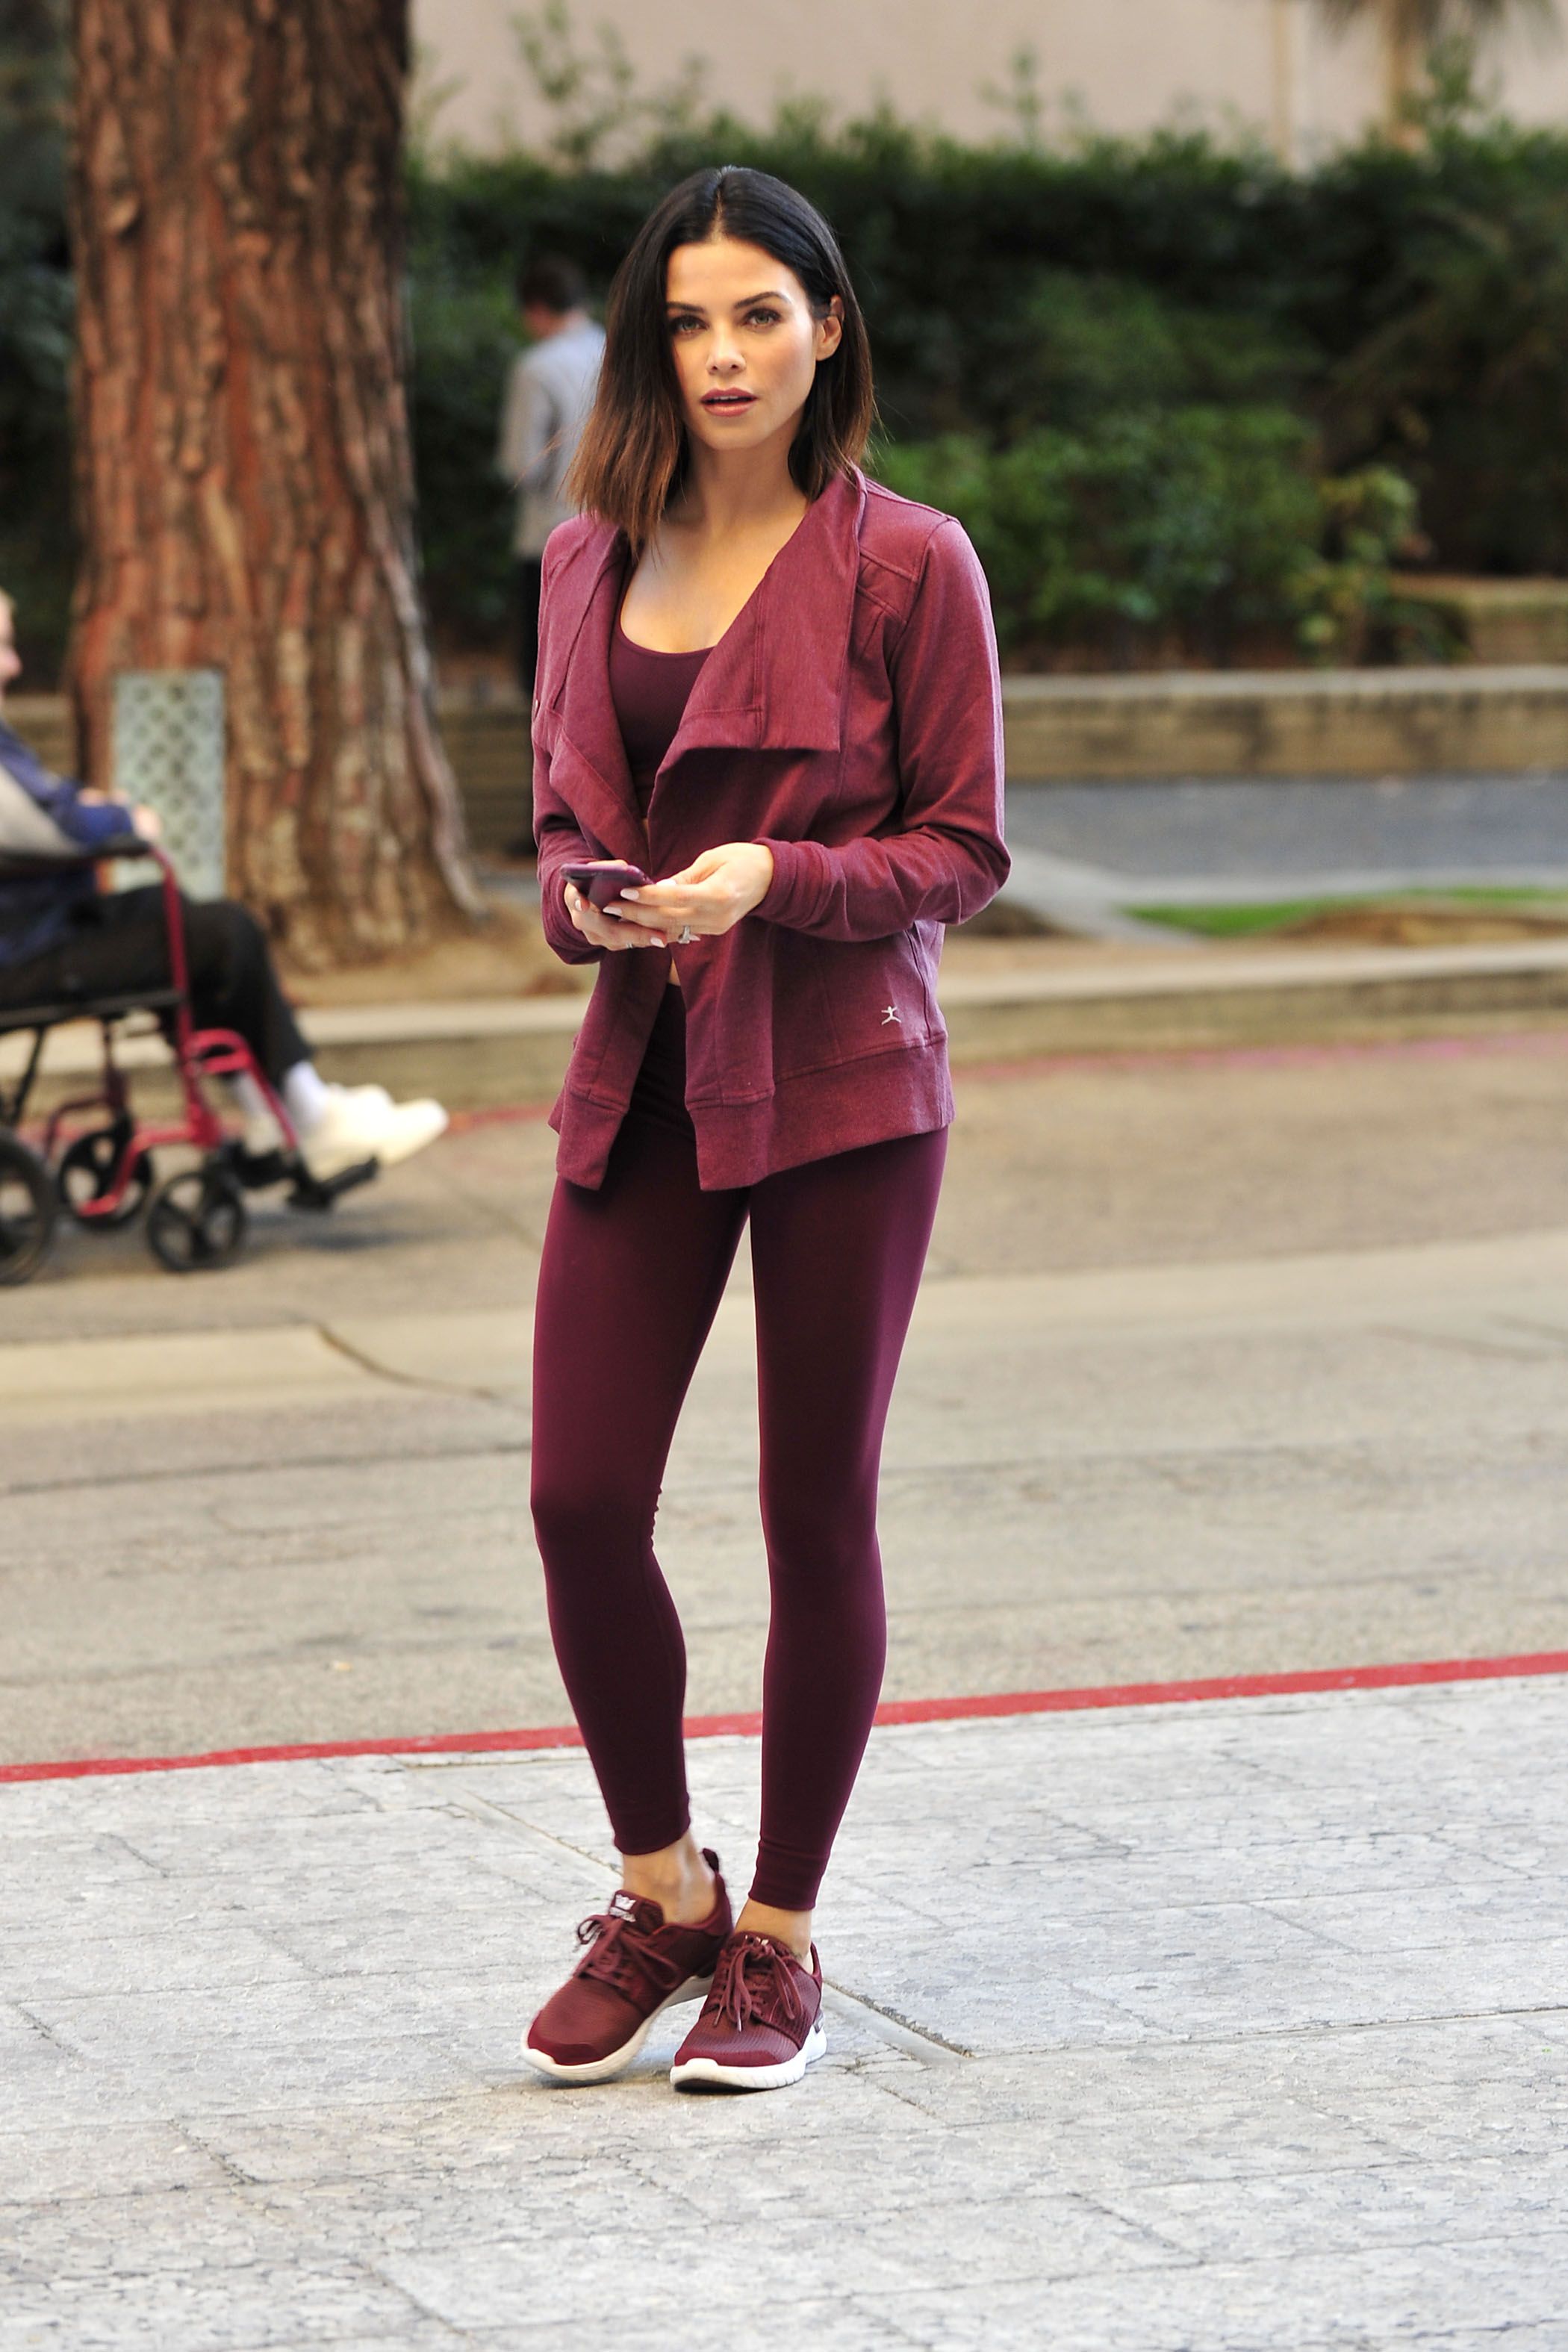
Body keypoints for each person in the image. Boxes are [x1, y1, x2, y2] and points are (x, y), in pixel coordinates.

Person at [520, 167, 1009, 2094]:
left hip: (842, 1082)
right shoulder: (584, 556)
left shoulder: (910, 564)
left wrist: (775, 878)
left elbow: (962, 849)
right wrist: (587, 901)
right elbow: (563, 818)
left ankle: (781, 1939)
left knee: (817, 1510)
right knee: (576, 1498)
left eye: (757, 315)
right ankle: (666, 1894)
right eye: (686, 321)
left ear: (827, 328)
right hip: (644, 1064)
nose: (721, 355)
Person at [0, 591, 447, 1183]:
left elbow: (46, 808)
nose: (14, 665)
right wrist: (125, 819)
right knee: (220, 933)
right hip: (22, 953)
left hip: (36, 929)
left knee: (178, 920)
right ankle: (309, 1113)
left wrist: (89, 808)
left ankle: (275, 1116)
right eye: (2, 647)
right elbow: (55, 826)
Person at [497, 255, 606, 708]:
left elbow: (523, 465)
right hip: (622, 533)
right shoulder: (619, 352)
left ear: (537, 310)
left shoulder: (537, 367)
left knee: (545, 681)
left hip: (551, 538)